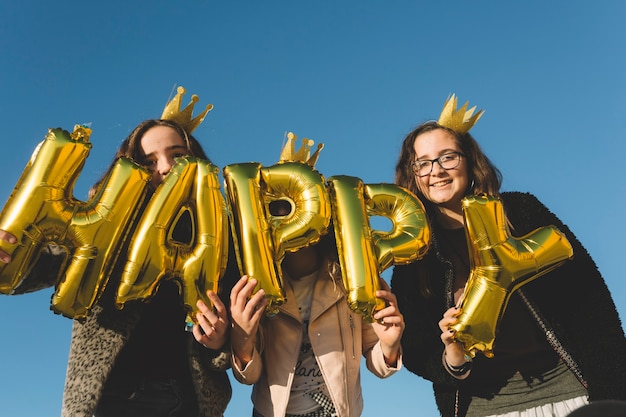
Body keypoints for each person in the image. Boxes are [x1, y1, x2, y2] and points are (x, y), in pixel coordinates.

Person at [1, 87, 237, 417]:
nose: (166, 168)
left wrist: (219, 342)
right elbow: (37, 268)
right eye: (149, 161)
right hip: (114, 399)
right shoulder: (102, 227)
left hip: (191, 400)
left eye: (178, 155)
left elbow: (235, 340)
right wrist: (10, 250)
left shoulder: (223, 239)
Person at [390, 95, 626, 417]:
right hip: (484, 408)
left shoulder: (522, 212)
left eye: (448, 157)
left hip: (572, 395)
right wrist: (452, 359)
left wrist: (611, 397)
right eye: (424, 162)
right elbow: (416, 346)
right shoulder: (414, 252)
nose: (437, 171)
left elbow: (591, 303)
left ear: (470, 162)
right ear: (413, 175)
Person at [228, 200, 404, 417]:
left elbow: (378, 364)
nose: (289, 221)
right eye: (277, 212)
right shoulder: (257, 287)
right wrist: (242, 339)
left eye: (295, 209)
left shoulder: (354, 281)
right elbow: (249, 376)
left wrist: (389, 347)